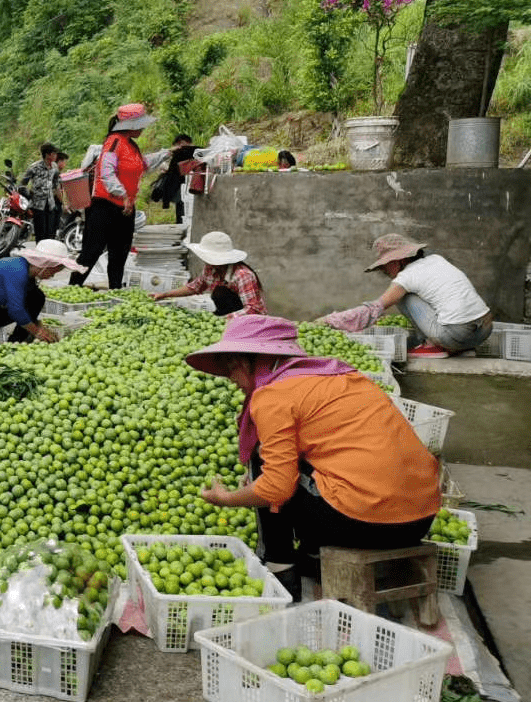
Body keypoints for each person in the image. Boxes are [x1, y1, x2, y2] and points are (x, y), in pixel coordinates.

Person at [188, 314, 440, 600]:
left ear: (243, 362)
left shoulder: (272, 396)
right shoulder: (342, 375)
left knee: (266, 464)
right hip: (421, 518)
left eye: (229, 369)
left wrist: (227, 499)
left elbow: (276, 488)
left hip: (364, 522)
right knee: (294, 464)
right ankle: (313, 555)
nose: (231, 380)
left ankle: (279, 566)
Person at [315, 234, 493, 359]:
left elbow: (374, 309)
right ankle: (459, 347)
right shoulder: (437, 260)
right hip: (484, 330)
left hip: (456, 335)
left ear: (397, 261)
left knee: (402, 297)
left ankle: (432, 345)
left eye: (385, 265)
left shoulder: (406, 277)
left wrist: (331, 320)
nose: (384, 271)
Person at [68, 103, 166, 290]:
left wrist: (166, 154)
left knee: (119, 254)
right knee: (91, 252)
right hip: (104, 205)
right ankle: (72, 287)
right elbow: (107, 172)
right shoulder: (113, 142)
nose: (143, 128)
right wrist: (123, 195)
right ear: (130, 125)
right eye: (140, 124)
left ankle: (115, 289)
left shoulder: (132, 146)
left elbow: (142, 165)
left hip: (126, 208)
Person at [0, 239, 85, 354]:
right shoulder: (16, 269)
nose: (52, 276)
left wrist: (37, 324)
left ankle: (14, 344)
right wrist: (37, 331)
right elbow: (15, 309)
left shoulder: (28, 273)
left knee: (37, 296)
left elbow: (22, 306)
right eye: (53, 272)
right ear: (45, 265)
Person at [153, 231, 266, 316]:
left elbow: (253, 309)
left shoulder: (243, 275)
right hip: (229, 315)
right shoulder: (211, 269)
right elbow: (195, 287)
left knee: (222, 293)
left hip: (249, 321)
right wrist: (165, 294)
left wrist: (225, 320)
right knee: (219, 294)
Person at [20, 142, 65, 242]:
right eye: (54, 153)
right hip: (38, 205)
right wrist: (29, 197)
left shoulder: (54, 168)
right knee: (40, 234)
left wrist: (62, 202)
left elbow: (56, 185)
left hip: (50, 205)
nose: (56, 155)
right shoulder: (34, 167)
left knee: (50, 234)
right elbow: (22, 185)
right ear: (48, 154)